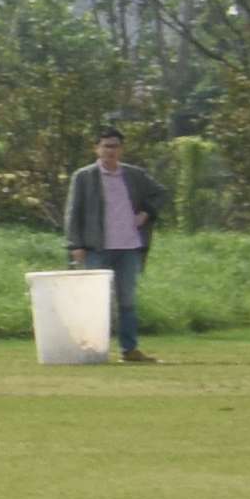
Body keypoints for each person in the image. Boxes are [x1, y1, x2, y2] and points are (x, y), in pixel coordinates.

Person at [67, 126, 161, 362]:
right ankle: (91, 349)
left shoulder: (134, 175)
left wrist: (146, 213)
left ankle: (129, 350)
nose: (111, 151)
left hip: (129, 248)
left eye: (115, 146)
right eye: (106, 146)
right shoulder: (84, 176)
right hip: (96, 248)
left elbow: (160, 194)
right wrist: (75, 245)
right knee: (95, 302)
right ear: (96, 148)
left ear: (121, 149)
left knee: (127, 301)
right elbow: (73, 212)